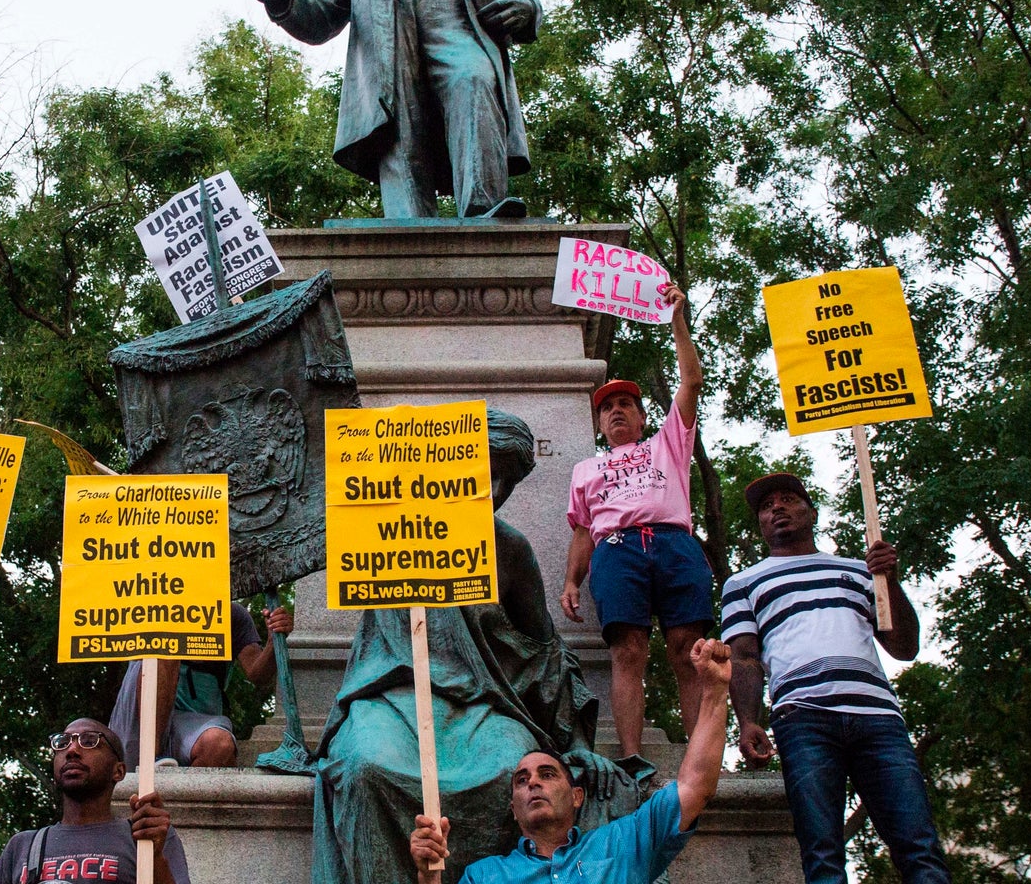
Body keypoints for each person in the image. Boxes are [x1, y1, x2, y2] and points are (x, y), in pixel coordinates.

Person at [309, 411, 640, 884]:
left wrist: (578, 744)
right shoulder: (381, 531)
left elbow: (544, 652)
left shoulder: (509, 548)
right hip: (392, 696)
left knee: (510, 767)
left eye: (501, 481)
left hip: (483, 705)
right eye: (482, 475)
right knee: (365, 766)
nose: (492, 491)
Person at [241, 0, 541, 221]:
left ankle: (484, 207)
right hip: (391, 48)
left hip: (459, 39)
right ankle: (408, 224)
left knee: (474, 80)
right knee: (399, 127)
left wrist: (527, 8)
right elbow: (322, 16)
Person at [724, 473, 950, 884]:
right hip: (802, 720)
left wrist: (889, 581)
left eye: (788, 499)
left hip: (878, 719)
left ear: (811, 513)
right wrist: (749, 721)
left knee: (919, 847)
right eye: (766, 506)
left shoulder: (860, 570)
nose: (776, 508)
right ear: (759, 524)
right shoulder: (743, 582)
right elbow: (743, 657)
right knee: (822, 854)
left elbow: (904, 646)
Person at [408, 639, 733, 884]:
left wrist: (715, 690)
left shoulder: (622, 843)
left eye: (547, 774)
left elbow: (694, 786)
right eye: (521, 780)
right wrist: (428, 875)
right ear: (513, 808)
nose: (532, 782)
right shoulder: (484, 875)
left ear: (577, 796)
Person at [560, 281, 712, 771]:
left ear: (644, 417)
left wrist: (677, 321)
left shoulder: (669, 443)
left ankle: (700, 754)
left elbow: (691, 383)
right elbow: (583, 530)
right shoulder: (586, 469)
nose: (616, 410)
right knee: (627, 649)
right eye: (607, 407)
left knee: (689, 650)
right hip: (617, 549)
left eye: (625, 404)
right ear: (600, 425)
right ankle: (629, 756)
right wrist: (570, 581)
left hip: (673, 544)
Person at [0, 717, 191, 884]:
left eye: (90, 741)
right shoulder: (22, 846)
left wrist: (155, 859)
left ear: (118, 771)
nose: (72, 750)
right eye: (62, 743)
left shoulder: (145, 834)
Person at [110, 602, 292, 768]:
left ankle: (178, 801)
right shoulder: (147, 601)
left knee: (219, 746)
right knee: (165, 641)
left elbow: (258, 674)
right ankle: (151, 758)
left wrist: (273, 640)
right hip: (138, 721)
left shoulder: (232, 614)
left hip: (192, 723)